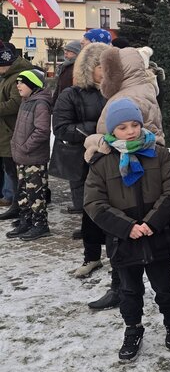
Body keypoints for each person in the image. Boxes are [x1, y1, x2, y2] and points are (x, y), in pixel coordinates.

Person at [84, 98, 170, 362]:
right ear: (111, 130)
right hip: (124, 239)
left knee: (165, 286)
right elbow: (94, 203)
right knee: (129, 291)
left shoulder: (159, 154)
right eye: (122, 127)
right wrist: (127, 227)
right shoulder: (102, 162)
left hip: (157, 234)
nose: (130, 131)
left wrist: (152, 222)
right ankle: (133, 328)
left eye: (134, 125)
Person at [52, 43, 107, 272]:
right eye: (100, 65)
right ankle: (91, 257)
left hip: (112, 161)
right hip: (85, 162)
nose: (105, 70)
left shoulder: (114, 92)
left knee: (116, 210)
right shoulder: (71, 94)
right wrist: (97, 130)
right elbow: (61, 128)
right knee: (90, 211)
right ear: (89, 68)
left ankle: (118, 258)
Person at [5, 70, 52, 241]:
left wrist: (25, 147)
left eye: (21, 82)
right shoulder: (26, 101)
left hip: (34, 159)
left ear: (32, 84)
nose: (18, 85)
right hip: (22, 157)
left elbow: (42, 131)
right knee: (23, 192)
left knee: (35, 194)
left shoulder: (40, 104)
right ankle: (27, 220)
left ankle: (40, 224)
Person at [0, 42, 34, 222]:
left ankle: (19, 206)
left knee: (16, 172)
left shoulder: (15, 78)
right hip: (6, 132)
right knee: (11, 171)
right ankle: (16, 204)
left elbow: (15, 103)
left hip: (11, 132)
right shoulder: (8, 76)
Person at [52, 40, 81, 104]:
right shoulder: (63, 67)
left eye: (69, 51)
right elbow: (58, 88)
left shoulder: (79, 68)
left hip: (70, 104)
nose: (65, 53)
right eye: (65, 50)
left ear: (77, 53)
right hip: (61, 102)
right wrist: (53, 103)